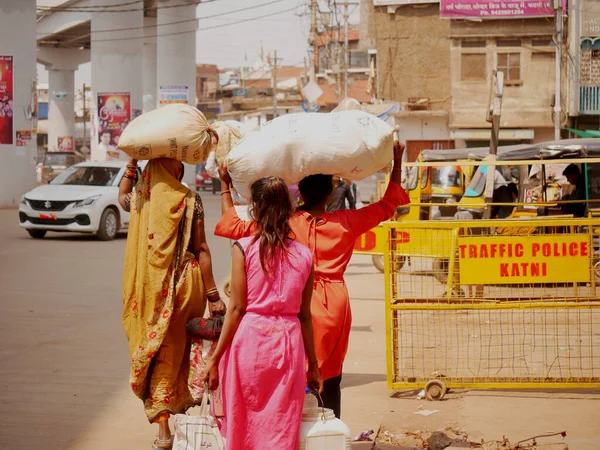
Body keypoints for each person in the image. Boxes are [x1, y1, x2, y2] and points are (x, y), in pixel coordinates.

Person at [214, 141, 409, 418]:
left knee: (292, 374)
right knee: (330, 378)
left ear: (300, 191)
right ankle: (328, 431)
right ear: (330, 192)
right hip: (333, 304)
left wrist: (224, 185)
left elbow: (233, 224)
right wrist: (397, 162)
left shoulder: (285, 223)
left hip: (293, 302)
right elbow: (389, 205)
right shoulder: (346, 222)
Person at [205, 176, 323, 449]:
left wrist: (214, 359)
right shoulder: (305, 255)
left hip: (250, 345)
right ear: (289, 210)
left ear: (255, 208)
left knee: (243, 426)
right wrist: (313, 366)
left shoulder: (243, 249)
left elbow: (235, 309)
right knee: (282, 428)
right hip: (288, 347)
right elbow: (305, 315)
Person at [118, 157, 226, 450]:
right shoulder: (191, 200)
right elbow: (201, 247)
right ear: (173, 169)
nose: (181, 168)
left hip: (150, 287)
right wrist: (213, 294)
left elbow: (121, 196)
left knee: (157, 352)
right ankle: (179, 416)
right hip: (185, 286)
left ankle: (164, 429)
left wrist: (131, 164)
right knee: (180, 350)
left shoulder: (142, 200)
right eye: (177, 164)